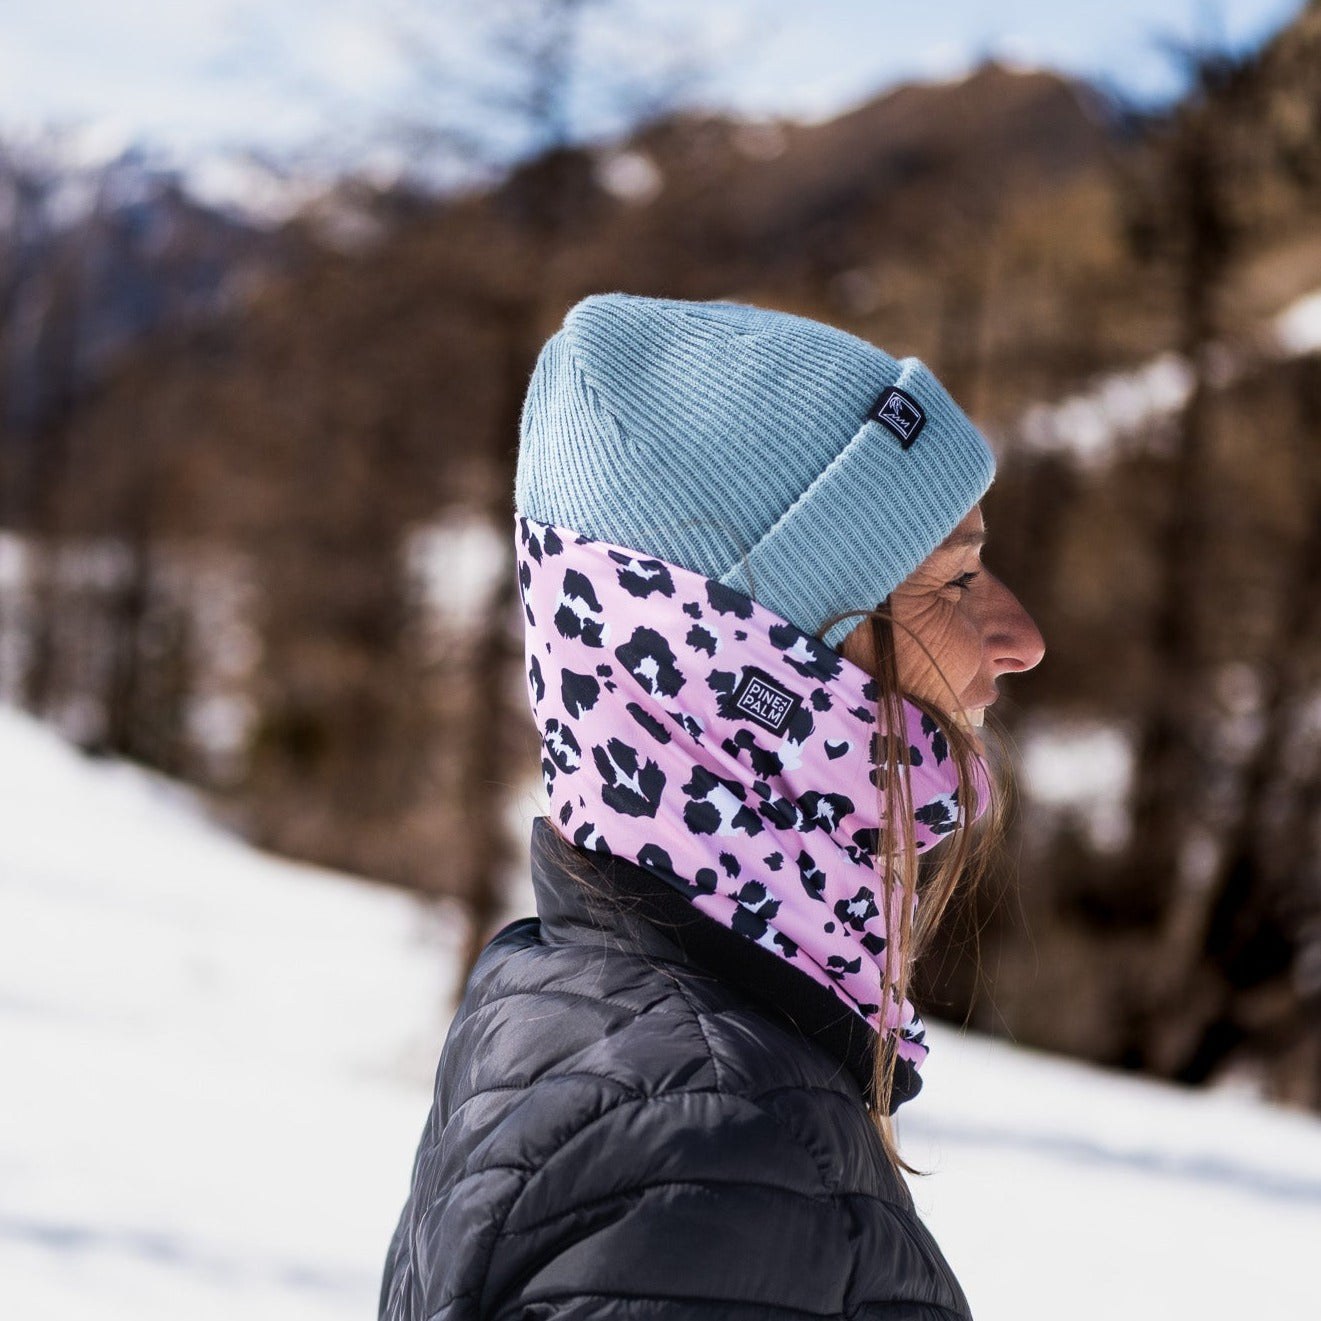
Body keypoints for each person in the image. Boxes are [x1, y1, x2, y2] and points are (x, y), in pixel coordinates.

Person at [380, 294, 1044, 1320]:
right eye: (954, 580)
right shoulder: (704, 1152)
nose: (1020, 634)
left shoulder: (591, 1012)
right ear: (746, 674)